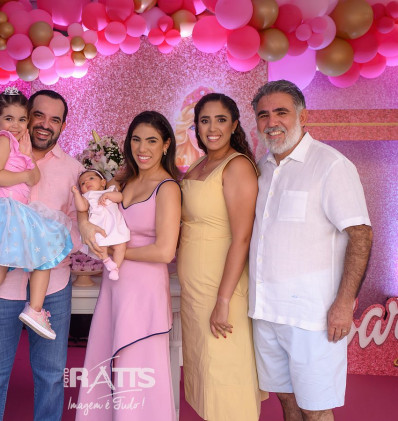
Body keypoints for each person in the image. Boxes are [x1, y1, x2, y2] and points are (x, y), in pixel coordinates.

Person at [0, 89, 83, 421]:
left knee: (51, 376)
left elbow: (79, 223)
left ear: (63, 126)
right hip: (3, 284)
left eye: (55, 119)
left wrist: (45, 244)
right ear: (27, 115)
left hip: (52, 283)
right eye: (39, 115)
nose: (45, 124)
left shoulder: (72, 169)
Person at [249, 80, 373, 421]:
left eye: (281, 112)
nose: (272, 122)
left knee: (315, 409)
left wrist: (344, 303)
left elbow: (361, 235)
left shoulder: (331, 165)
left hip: (312, 317)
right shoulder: (260, 169)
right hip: (265, 312)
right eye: (263, 115)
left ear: (303, 117)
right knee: (286, 401)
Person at [76, 111, 181, 420]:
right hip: (114, 287)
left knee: (138, 370)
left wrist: (117, 250)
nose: (142, 148)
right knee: (105, 363)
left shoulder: (168, 188)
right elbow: (90, 205)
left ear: (166, 145)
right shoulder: (122, 180)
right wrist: (84, 225)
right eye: (136, 140)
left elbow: (165, 252)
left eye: (151, 141)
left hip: (145, 290)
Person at [177, 93, 264, 420]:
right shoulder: (199, 165)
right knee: (206, 370)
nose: (212, 128)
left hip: (221, 287)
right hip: (196, 290)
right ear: (196, 127)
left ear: (234, 125)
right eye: (205, 120)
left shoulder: (237, 166)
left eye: (221, 120)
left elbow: (242, 237)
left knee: (226, 370)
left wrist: (224, 299)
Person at [71, 168, 130, 280]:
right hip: (98, 226)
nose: (86, 182)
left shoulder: (111, 190)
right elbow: (81, 208)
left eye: (91, 178)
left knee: (121, 246)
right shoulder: (87, 196)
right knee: (100, 246)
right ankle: (106, 260)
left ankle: (116, 268)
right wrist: (76, 194)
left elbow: (120, 197)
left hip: (114, 226)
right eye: (82, 183)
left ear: (103, 182)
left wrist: (108, 195)